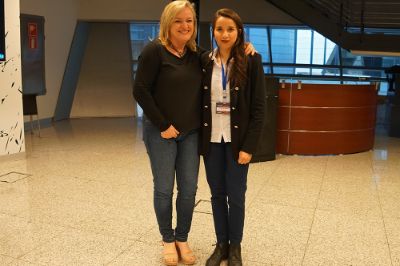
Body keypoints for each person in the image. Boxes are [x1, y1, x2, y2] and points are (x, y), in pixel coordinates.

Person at [199, 8, 266, 266]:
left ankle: (236, 246)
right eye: (219, 29)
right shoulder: (205, 61)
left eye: (230, 29)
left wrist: (249, 147)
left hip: (238, 142)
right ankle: (221, 245)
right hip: (212, 139)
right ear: (213, 32)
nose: (225, 34)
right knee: (216, 194)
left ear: (239, 32)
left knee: (236, 196)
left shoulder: (252, 60)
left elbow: (259, 109)